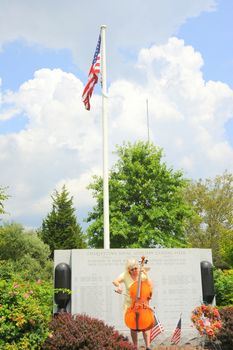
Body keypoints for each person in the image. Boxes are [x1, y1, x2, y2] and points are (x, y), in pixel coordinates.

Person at [113, 258, 153, 350]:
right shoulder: (125, 275)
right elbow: (115, 281)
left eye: (135, 268)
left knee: (146, 326)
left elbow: (150, 286)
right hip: (130, 305)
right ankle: (135, 347)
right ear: (128, 270)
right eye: (132, 269)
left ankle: (148, 347)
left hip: (142, 304)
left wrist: (146, 274)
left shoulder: (141, 274)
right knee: (133, 326)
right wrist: (119, 286)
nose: (135, 270)